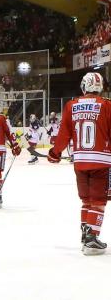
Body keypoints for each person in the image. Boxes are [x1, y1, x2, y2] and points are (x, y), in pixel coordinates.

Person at [48, 72, 111, 255]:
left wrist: (55, 153)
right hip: (102, 161)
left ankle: (85, 236)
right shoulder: (106, 105)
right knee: (98, 201)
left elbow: (64, 134)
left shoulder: (71, 105)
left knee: (86, 200)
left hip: (80, 161)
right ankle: (92, 239)